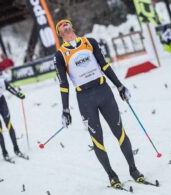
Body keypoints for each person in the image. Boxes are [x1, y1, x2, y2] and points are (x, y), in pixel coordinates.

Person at [54, 19, 144, 189]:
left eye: (67, 24)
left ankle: (134, 170)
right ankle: (112, 175)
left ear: (72, 27)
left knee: (120, 132)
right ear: (60, 34)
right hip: (85, 98)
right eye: (61, 27)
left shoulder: (90, 42)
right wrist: (65, 110)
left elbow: (104, 65)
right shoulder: (59, 55)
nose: (65, 26)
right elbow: (63, 84)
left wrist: (120, 86)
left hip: (104, 91)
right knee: (97, 139)